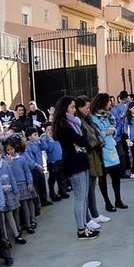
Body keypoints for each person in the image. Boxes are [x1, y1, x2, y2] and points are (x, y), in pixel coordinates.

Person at [51, 97, 97, 240]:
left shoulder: (73, 122)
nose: (74, 110)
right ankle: (81, 230)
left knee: (83, 197)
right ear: (65, 108)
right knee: (79, 197)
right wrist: (83, 140)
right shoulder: (64, 125)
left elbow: (82, 141)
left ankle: (84, 225)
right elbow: (81, 140)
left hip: (80, 160)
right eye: (71, 107)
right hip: (73, 162)